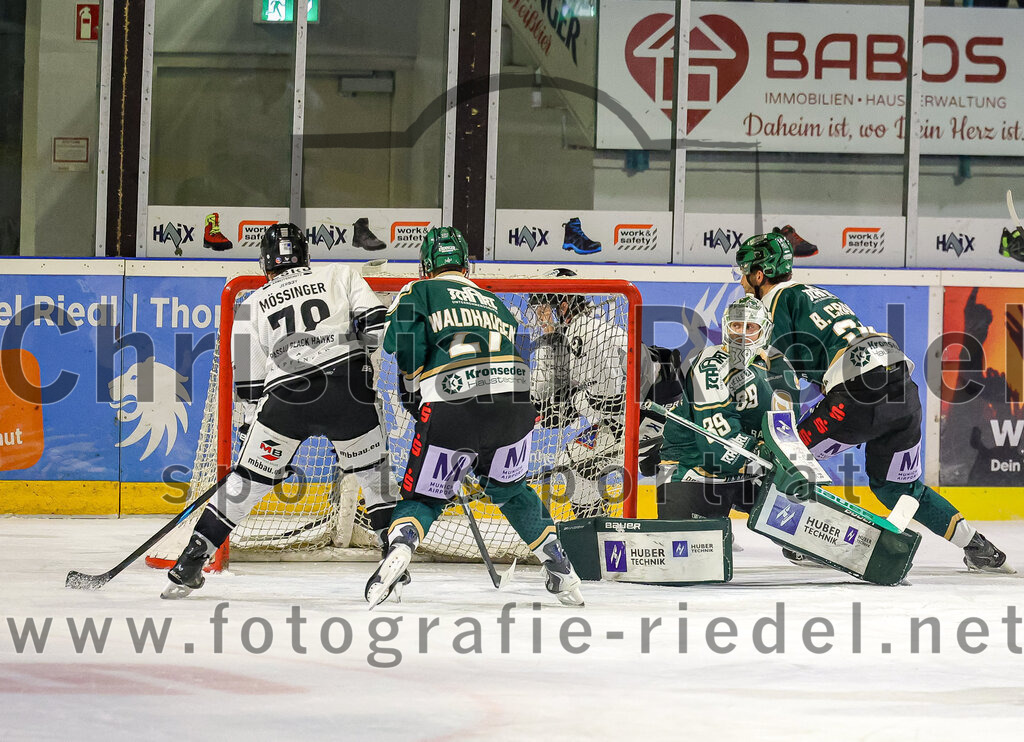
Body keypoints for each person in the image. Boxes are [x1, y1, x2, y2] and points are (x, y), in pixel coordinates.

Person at [734, 231, 1013, 573]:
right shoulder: (818, 294)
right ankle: (978, 546)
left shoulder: (772, 304)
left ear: (759, 274)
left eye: (745, 273)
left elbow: (776, 376)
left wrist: (762, 427)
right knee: (899, 488)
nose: (743, 283)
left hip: (856, 397)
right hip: (902, 391)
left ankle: (808, 541)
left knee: (776, 461)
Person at [161, 223, 398, 598]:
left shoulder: (251, 304)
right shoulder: (340, 274)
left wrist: (257, 436)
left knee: (248, 483)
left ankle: (192, 557)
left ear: (265, 264)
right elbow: (376, 325)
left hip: (287, 399)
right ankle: (393, 555)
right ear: (306, 256)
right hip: (348, 389)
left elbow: (250, 388)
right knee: (374, 477)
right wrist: (360, 349)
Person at [365, 226, 584, 607]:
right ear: (466, 265)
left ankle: (399, 550)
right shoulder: (494, 301)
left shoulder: (419, 291)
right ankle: (560, 566)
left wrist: (417, 390)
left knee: (425, 498)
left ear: (425, 266)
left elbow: (404, 347)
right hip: (516, 408)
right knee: (510, 490)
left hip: (454, 405)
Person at [528, 289, 680, 518]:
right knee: (574, 461)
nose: (541, 319)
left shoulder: (584, 334)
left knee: (571, 463)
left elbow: (608, 402)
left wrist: (568, 409)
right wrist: (542, 409)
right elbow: (545, 388)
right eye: (536, 313)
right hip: (632, 414)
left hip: (649, 418)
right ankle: (598, 529)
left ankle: (597, 531)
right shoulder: (568, 336)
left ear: (563, 307)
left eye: (544, 311)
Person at [658, 295, 800, 521]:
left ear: (764, 332)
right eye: (736, 325)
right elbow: (715, 438)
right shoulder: (710, 364)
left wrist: (786, 456)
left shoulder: (778, 367)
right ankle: (714, 525)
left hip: (747, 473)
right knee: (692, 549)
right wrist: (763, 454)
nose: (742, 334)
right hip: (693, 470)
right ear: (726, 328)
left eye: (750, 327)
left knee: (802, 524)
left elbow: (787, 427)